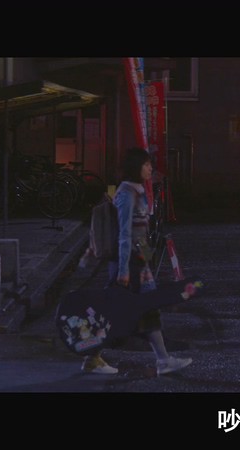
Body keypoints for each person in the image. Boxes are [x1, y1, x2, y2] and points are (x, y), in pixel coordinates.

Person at [81, 147, 193, 376]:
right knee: (114, 313)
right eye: (146, 164)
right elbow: (124, 235)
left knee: (145, 311)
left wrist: (147, 260)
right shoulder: (126, 194)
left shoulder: (137, 191)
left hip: (139, 265)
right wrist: (123, 271)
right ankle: (92, 357)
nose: (151, 168)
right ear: (135, 167)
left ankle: (162, 360)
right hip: (128, 265)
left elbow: (140, 233)